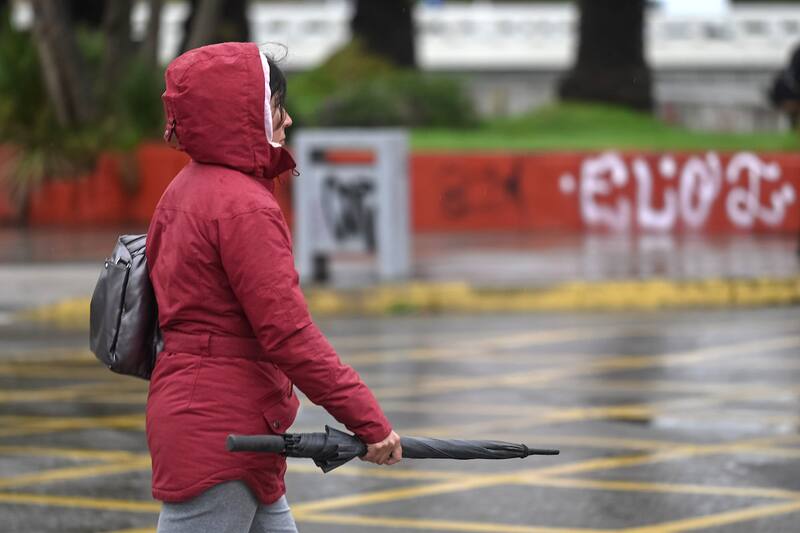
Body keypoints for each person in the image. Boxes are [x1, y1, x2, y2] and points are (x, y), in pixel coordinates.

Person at [146, 42, 402, 533]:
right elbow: (288, 335)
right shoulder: (244, 207)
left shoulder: (185, 189)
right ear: (240, 114)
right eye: (276, 106)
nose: (287, 121)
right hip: (221, 432)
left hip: (233, 423)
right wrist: (369, 420)